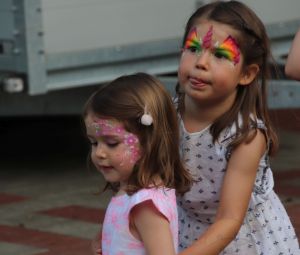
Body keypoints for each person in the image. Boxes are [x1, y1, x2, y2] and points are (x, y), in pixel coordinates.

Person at [175, 1, 300, 254]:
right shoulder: (165, 113)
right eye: (193, 48)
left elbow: (230, 220)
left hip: (243, 240)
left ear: (247, 74)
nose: (201, 62)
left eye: (220, 55)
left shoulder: (245, 136)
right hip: (187, 229)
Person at [83, 73, 192, 255]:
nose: (99, 153)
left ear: (149, 141)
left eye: (112, 143)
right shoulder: (132, 192)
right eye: (94, 143)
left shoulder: (145, 206)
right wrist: (103, 237)